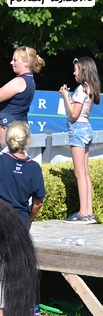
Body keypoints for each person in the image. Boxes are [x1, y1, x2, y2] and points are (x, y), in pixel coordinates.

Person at [0, 121, 45, 316]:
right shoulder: (34, 168)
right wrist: (28, 218)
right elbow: (38, 201)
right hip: (19, 226)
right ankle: (10, 314)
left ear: (7, 139)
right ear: (28, 141)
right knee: (12, 272)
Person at [60, 57, 100, 224]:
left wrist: (64, 96)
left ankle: (83, 213)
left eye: (76, 69)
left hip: (77, 130)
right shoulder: (90, 88)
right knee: (85, 172)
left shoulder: (80, 90)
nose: (73, 72)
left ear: (83, 71)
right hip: (87, 129)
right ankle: (89, 211)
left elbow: (74, 114)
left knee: (79, 173)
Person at [0, 46, 43, 122]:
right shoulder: (29, 79)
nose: (11, 62)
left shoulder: (20, 81)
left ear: (26, 63)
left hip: (9, 126)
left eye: (14, 60)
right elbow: (0, 94)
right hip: (17, 125)